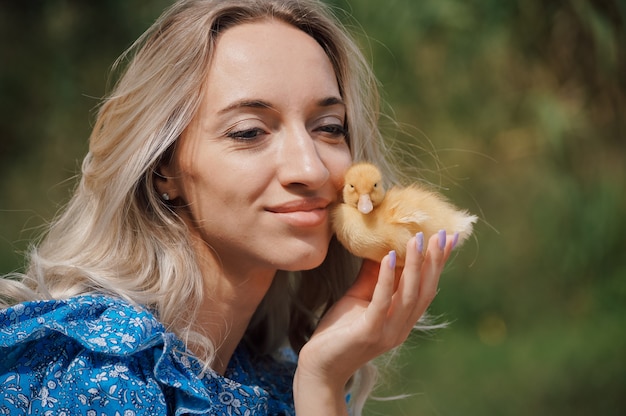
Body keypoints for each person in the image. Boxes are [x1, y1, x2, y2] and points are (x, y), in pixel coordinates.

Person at [0, 0, 458, 414]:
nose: (312, 169)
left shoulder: (274, 377)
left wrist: (322, 380)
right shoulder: (96, 372)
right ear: (165, 170)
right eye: (248, 132)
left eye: (329, 126)